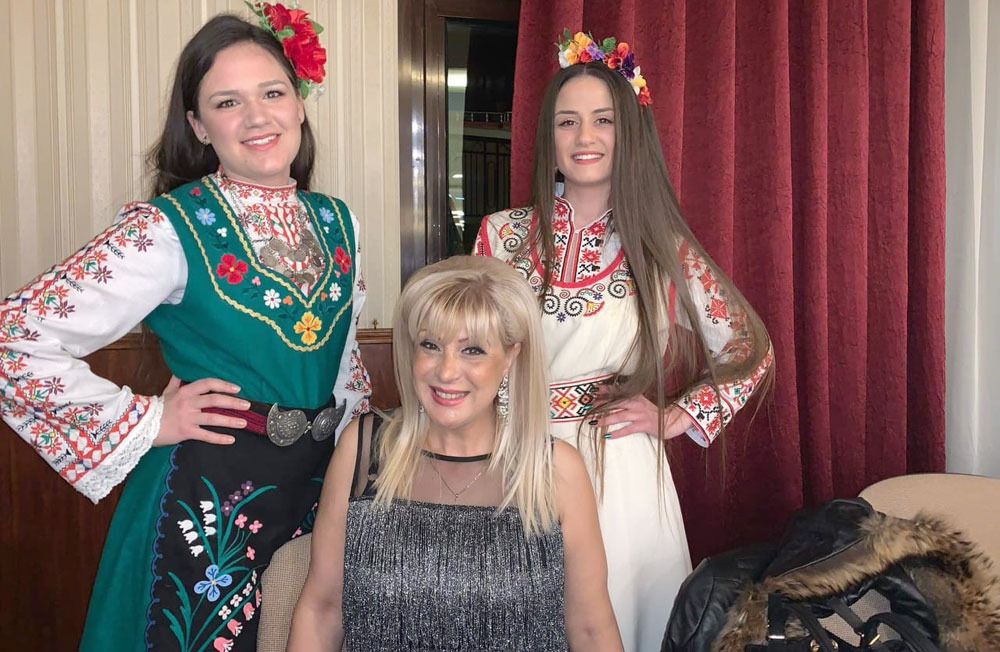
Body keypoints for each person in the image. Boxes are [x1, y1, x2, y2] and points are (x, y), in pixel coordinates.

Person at [0, 6, 370, 651]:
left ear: (299, 104)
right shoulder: (167, 228)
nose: (257, 116)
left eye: (272, 93)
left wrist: (361, 467)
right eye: (228, 102)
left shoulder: (341, 222)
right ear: (199, 125)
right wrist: (148, 420)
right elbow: (13, 336)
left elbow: (343, 363)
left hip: (317, 490)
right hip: (206, 500)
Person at [474, 32, 774, 651]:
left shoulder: (659, 248)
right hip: (512, 458)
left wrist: (676, 415)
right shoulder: (501, 237)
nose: (584, 136)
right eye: (567, 121)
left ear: (629, 132)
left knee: (623, 618)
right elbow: (467, 351)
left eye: (603, 119)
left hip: (619, 472)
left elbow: (751, 349)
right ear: (548, 137)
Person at [286, 255, 623, 652]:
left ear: (510, 356)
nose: (446, 372)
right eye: (430, 345)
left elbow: (590, 629)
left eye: (473, 350)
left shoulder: (555, 469)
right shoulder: (362, 450)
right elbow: (323, 609)